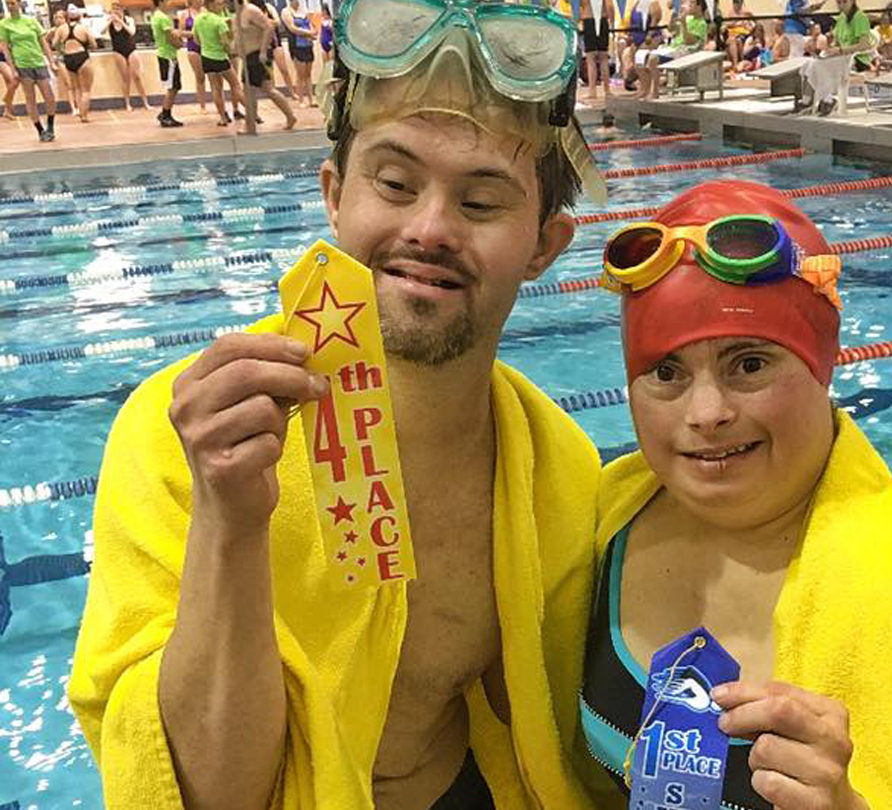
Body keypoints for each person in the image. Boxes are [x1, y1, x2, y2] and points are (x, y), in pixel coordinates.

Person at [68, 0, 610, 808]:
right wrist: (229, 522)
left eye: (482, 201)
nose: (429, 227)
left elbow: (553, 731)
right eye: (394, 183)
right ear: (334, 194)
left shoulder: (555, 465)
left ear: (543, 244)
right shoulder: (181, 433)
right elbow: (197, 794)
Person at [577, 179, 892, 810]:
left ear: (822, 365)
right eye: (665, 372)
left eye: (749, 364)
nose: (704, 412)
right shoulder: (607, 522)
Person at [799, 0, 872, 116]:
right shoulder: (841, 18)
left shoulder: (860, 17)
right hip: (840, 55)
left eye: (844, 2)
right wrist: (829, 48)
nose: (841, 5)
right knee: (809, 63)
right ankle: (807, 100)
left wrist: (841, 50)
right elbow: (836, 42)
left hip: (856, 58)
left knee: (819, 65)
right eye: (838, 2)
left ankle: (828, 100)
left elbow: (865, 45)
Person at [0, 0, 57, 141]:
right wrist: (13, 68)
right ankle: (40, 130)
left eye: (12, 3)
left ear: (19, 4)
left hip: (38, 62)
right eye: (8, 3)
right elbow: (5, 48)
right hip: (22, 65)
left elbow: (44, 43)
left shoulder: (31, 21)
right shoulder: (4, 24)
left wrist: (51, 62)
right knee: (30, 98)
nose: (10, 5)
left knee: (49, 97)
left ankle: (50, 125)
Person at [237, 0, 296, 132]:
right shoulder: (238, 13)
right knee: (257, 91)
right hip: (249, 57)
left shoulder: (251, 10)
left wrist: (263, 51)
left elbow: (269, 27)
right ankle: (289, 116)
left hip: (257, 55)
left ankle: (250, 125)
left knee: (258, 90)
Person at [194, 0, 247, 125]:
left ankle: (223, 118)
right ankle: (252, 113)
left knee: (216, 88)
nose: (222, 6)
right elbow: (225, 44)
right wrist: (231, 42)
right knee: (236, 85)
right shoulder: (219, 21)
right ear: (210, 5)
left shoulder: (198, 19)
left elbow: (196, 40)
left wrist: (208, 46)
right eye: (219, 4)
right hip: (220, 58)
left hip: (206, 58)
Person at [49, 5, 93, 122]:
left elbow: (53, 44)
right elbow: (94, 44)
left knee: (76, 88)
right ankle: (84, 115)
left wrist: (63, 47)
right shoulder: (83, 28)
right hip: (81, 56)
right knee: (86, 90)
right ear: (79, 16)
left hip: (68, 58)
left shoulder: (61, 29)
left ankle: (78, 110)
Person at [108, 1, 150, 111]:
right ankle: (127, 103)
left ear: (122, 9)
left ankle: (145, 102)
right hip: (118, 50)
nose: (116, 10)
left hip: (130, 49)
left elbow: (132, 32)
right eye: (114, 8)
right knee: (125, 78)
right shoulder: (109, 21)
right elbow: (100, 32)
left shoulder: (129, 20)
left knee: (137, 76)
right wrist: (110, 21)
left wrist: (121, 22)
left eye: (118, 8)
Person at [151, 0, 184, 126]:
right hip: (168, 56)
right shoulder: (163, 18)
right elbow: (170, 37)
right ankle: (165, 114)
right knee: (173, 87)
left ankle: (166, 112)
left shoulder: (157, 16)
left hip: (166, 54)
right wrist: (180, 44)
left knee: (175, 86)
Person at [282, 0, 315, 106]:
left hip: (307, 45)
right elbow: (292, 28)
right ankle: (301, 100)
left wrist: (312, 33)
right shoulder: (286, 12)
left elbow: (310, 25)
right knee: (300, 74)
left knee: (308, 74)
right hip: (296, 45)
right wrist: (308, 33)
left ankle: (311, 99)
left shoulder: (303, 11)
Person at [581, 0, 615, 101]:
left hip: (589, 20)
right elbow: (610, 6)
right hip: (602, 20)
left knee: (590, 59)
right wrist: (611, 21)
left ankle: (592, 91)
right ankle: (607, 89)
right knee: (603, 58)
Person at [178, 0, 208, 113]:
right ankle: (202, 105)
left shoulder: (206, 12)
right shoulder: (185, 14)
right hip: (193, 47)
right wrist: (194, 33)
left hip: (208, 46)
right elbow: (181, 32)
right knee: (200, 77)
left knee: (214, 76)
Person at [265, 2, 296, 99]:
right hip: (263, 44)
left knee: (284, 69)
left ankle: (292, 92)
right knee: (270, 72)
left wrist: (266, 20)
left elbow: (277, 22)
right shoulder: (251, 9)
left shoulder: (269, 7)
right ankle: (273, 94)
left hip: (275, 43)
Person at [0, 47, 17, 120]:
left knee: (10, 84)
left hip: (7, 58)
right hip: (1, 60)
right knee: (13, 80)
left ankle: (8, 110)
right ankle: (7, 100)